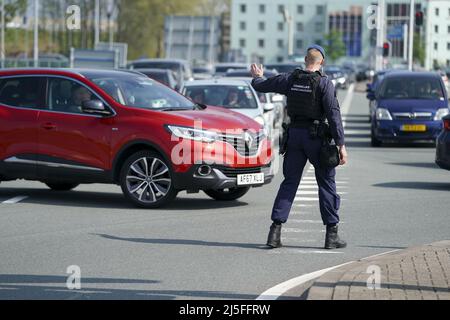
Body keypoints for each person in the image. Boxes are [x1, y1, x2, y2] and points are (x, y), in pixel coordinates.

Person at [250, 45, 348, 250]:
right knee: (326, 184)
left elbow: (262, 85)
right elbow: (334, 114)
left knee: (290, 182)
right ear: (322, 62)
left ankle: (274, 233)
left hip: (294, 137)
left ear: (305, 59)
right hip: (317, 139)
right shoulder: (324, 83)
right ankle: (332, 236)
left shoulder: (290, 79)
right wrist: (341, 144)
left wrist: (257, 76)